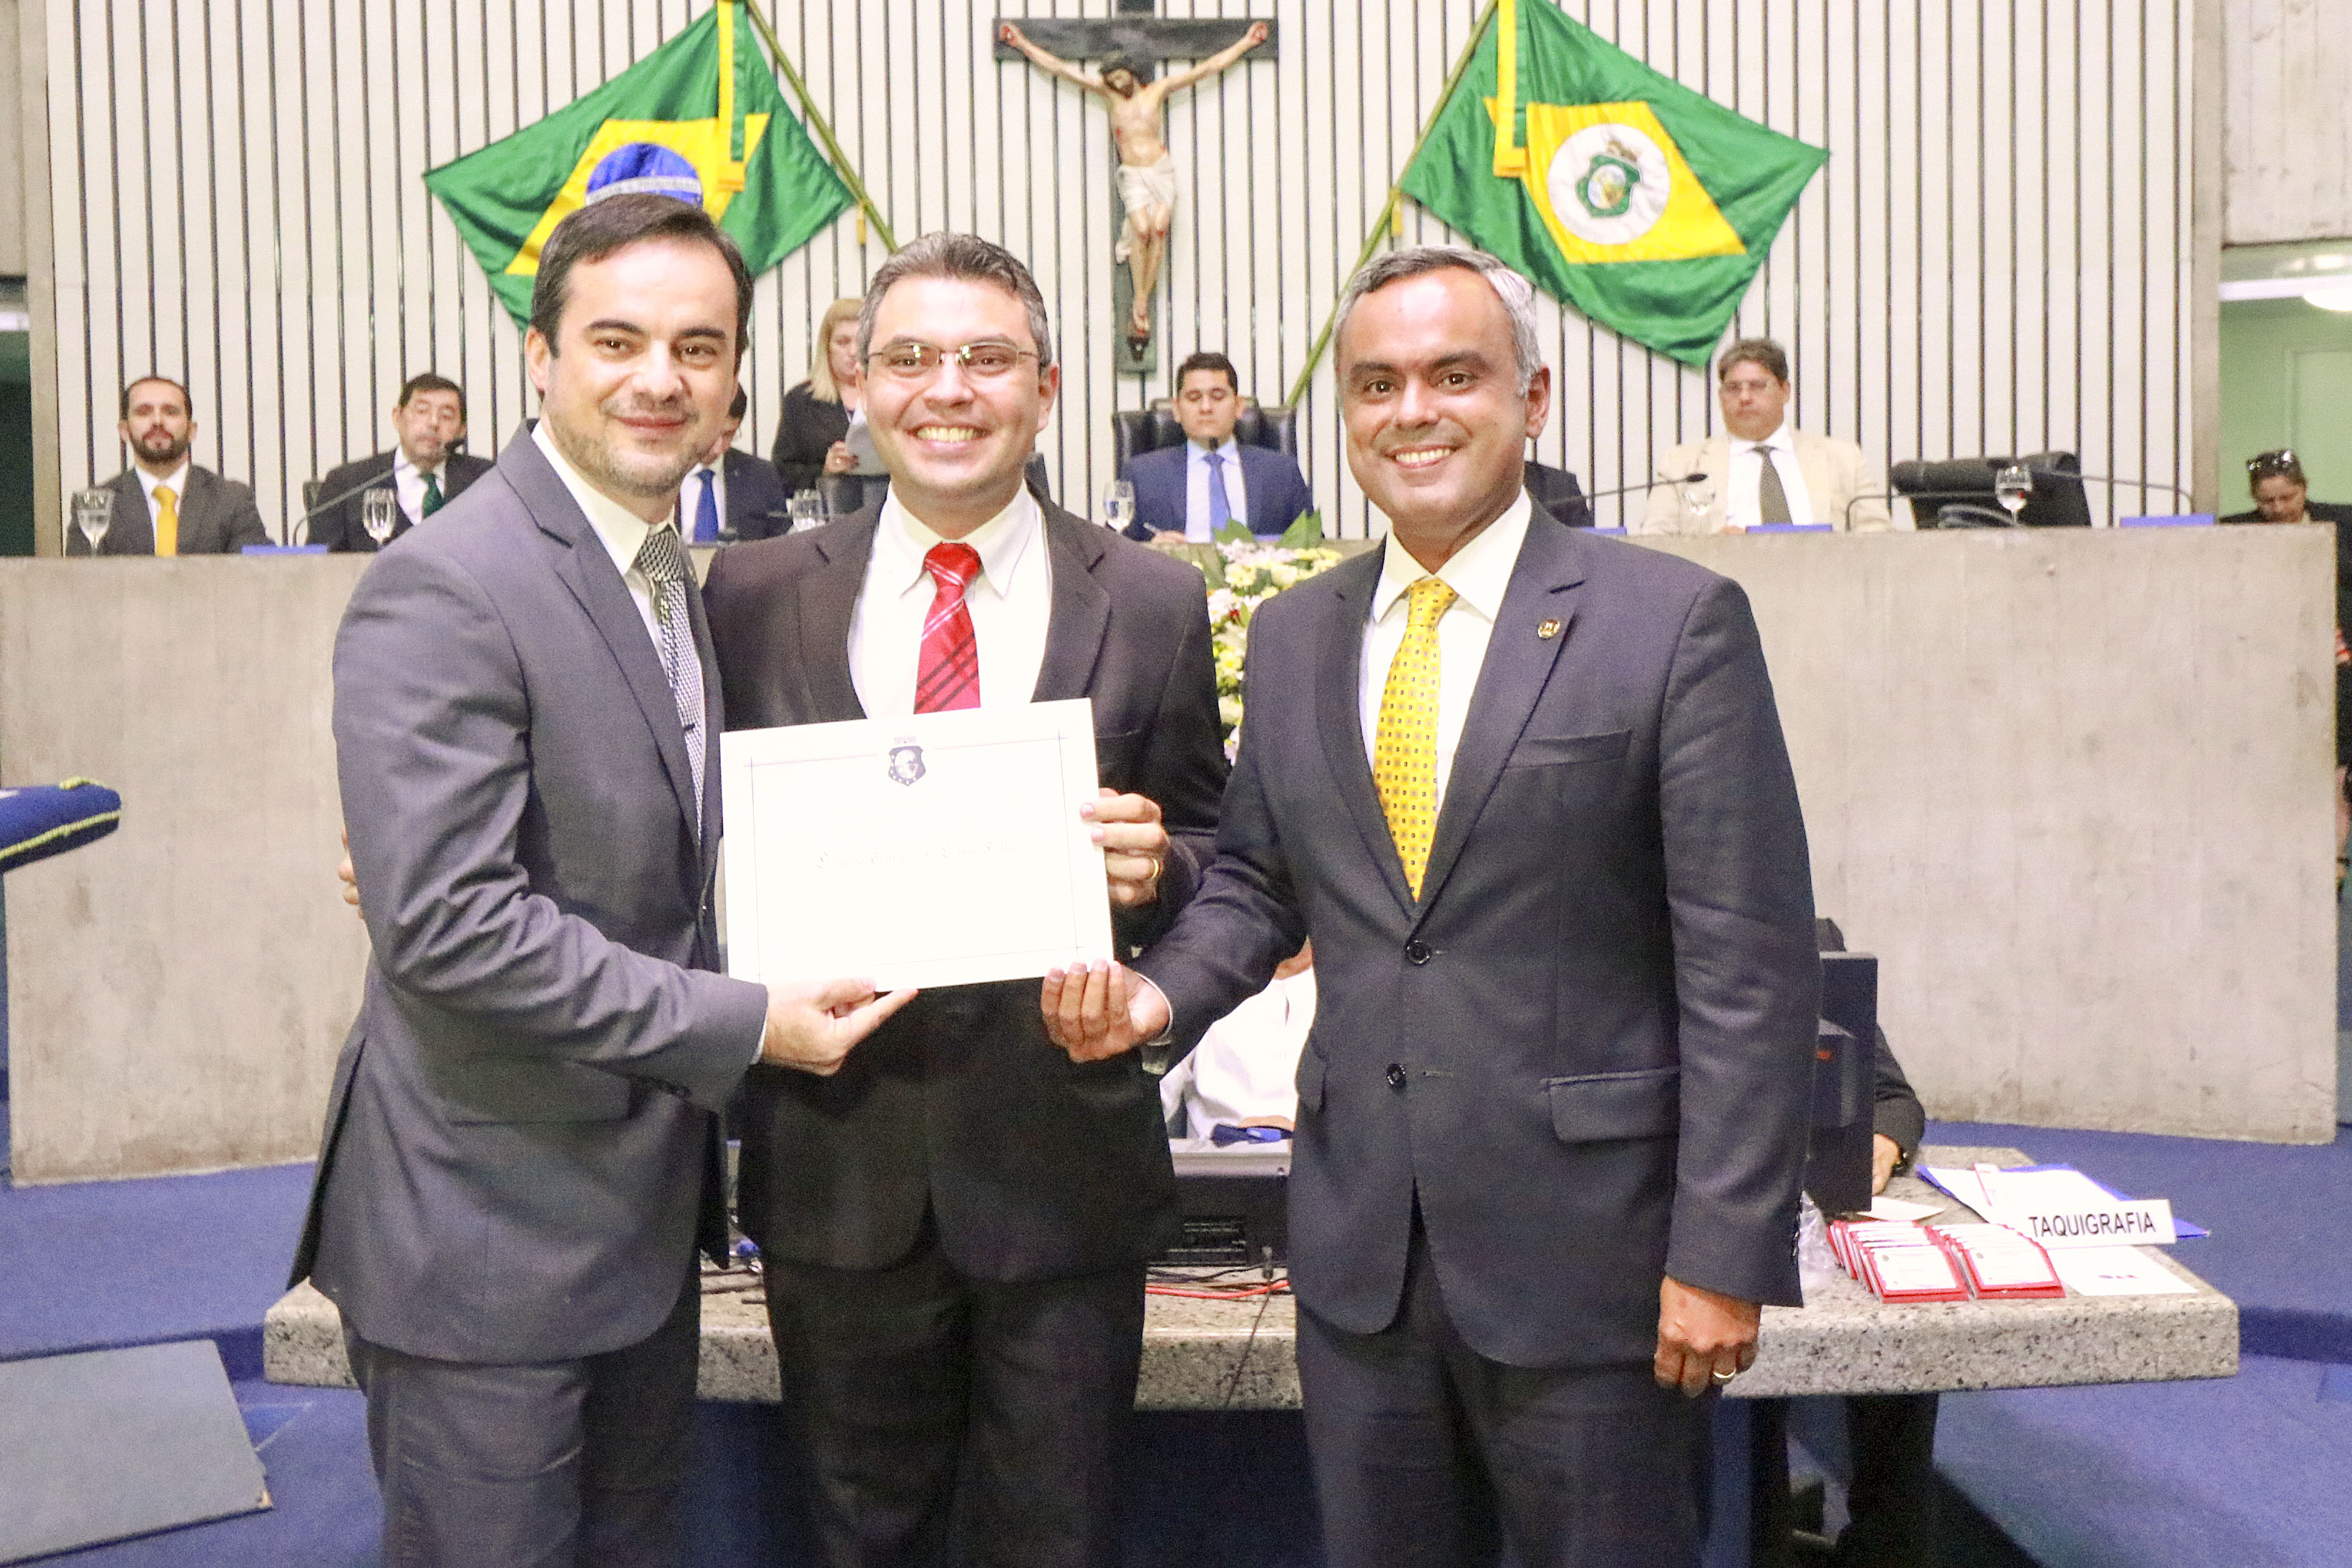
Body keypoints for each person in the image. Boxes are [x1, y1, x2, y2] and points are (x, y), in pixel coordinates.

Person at [1044, 245, 1819, 1568]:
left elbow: (1747, 967)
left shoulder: (1671, 623)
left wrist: (1722, 1250)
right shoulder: (1296, 634)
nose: (1413, 411)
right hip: (1363, 1266)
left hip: (1598, 1267)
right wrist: (1156, 998)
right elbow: (1256, 882)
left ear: (1533, 396)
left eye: (1454, 375)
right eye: (1376, 383)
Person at [289, 192, 913, 1568]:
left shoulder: (666, 570)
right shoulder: (449, 581)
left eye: (698, 347)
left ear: (735, 380)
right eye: (617, 340)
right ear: (540, 356)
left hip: (630, 1225)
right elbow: (453, 928)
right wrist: (750, 1023)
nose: (658, 380)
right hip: (485, 1237)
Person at [701, 231, 1228, 1568]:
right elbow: (683, 836)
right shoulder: (751, 595)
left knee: (1057, 1534)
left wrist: (1157, 868)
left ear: (1045, 388)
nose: (948, 388)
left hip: (1064, 1172)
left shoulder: (1152, 599)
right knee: (856, 1534)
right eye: (911, 358)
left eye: (987, 358)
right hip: (837, 1165)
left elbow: (1223, 852)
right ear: (859, 387)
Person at [998, 21, 1269, 354]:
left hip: (1160, 169)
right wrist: (1022, 43)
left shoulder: (1158, 90)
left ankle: (1140, 301)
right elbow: (1061, 69)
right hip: (1133, 174)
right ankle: (1141, 300)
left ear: (1131, 72)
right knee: (1141, 230)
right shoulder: (1110, 97)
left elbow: (1207, 69)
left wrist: (1246, 43)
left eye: (1119, 77)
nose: (1116, 83)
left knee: (1159, 228)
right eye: (1111, 80)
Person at [2222, 449, 2352, 876]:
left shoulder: (2344, 522)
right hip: (2270, 666)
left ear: (2305, 489)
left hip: (2339, 663)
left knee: (2338, 769)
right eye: (2266, 501)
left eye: (2287, 498)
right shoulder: (2233, 531)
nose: (2278, 509)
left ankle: (2334, 862)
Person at [1639, 339, 1897, 533]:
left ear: (1785, 391)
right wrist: (1714, 549)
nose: (1744, 397)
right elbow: (1655, 543)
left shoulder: (1843, 458)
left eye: (1757, 386)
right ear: (1721, 396)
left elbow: (1878, 536)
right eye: (1733, 388)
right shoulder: (1682, 466)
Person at [1121, 350, 1314, 542]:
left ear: (1238, 406)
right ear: (1177, 409)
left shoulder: (1282, 472)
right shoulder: (1141, 475)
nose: (1206, 407)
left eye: (1218, 396)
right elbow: (1114, 551)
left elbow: (1312, 544)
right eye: (1194, 397)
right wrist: (1150, 551)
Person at [66, 376, 269, 555]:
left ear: (192, 430)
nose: (157, 421)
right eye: (143, 412)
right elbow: (81, 580)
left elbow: (257, 574)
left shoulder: (231, 500)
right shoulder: (94, 505)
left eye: (170, 412)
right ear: (124, 430)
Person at [308, 373, 493, 552]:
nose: (433, 423)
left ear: (462, 430)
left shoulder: (486, 480)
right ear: (397, 417)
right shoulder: (348, 483)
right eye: (422, 411)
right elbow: (318, 563)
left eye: (446, 416)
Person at [1159, 940, 1314, 1140]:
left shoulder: (1348, 988)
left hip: (1324, 1154)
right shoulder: (1200, 982)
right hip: (1219, 1153)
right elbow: (1151, 1102)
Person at [770, 296, 865, 495]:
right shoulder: (801, 400)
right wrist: (824, 471)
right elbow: (781, 474)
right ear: (827, 347)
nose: (853, 351)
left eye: (861, 342)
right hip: (827, 506)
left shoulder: (892, 394)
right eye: (843, 342)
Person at [679, 386, 790, 542]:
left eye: (729, 434)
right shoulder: (659, 471)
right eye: (713, 432)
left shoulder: (761, 476)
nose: (719, 447)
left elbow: (781, 545)